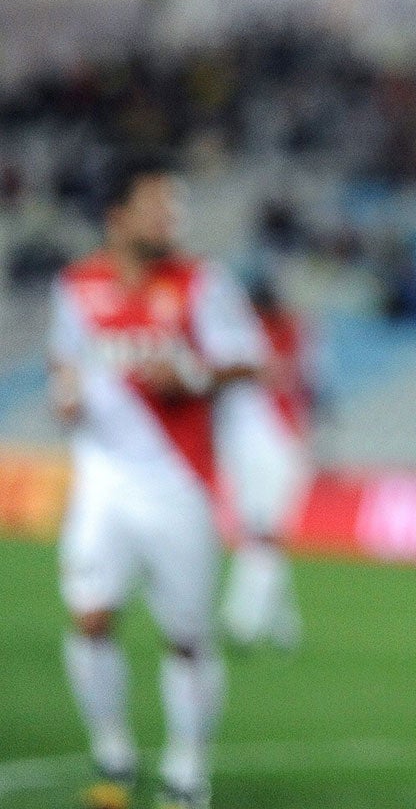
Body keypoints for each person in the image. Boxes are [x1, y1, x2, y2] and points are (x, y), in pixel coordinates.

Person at [49, 157, 267, 809]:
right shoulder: (76, 284)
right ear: (117, 216)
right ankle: (113, 749)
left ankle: (187, 765)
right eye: (157, 206)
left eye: (174, 207)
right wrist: (66, 391)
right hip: (103, 478)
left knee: (187, 635)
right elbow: (66, 357)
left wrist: (195, 376)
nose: (170, 219)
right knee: (90, 615)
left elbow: (251, 359)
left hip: (179, 482)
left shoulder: (203, 283)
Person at [215, 278, 314, 649]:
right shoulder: (291, 332)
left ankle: (243, 621)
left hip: (269, 442)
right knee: (266, 535)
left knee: (260, 536)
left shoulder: (264, 335)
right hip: (276, 441)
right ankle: (283, 628)